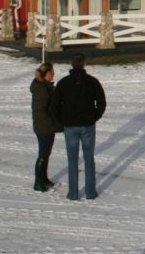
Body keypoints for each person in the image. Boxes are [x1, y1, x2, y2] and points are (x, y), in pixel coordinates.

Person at [50, 53, 106, 200]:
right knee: (89, 158)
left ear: (72, 64)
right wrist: (95, 116)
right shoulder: (92, 82)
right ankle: (90, 192)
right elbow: (101, 102)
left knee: (72, 159)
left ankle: (73, 193)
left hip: (70, 125)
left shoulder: (63, 83)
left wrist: (62, 119)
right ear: (84, 64)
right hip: (87, 124)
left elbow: (54, 105)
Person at [30, 62, 63, 192]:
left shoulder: (45, 87)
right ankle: (38, 182)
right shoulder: (42, 89)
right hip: (44, 127)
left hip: (47, 126)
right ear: (46, 74)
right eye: (52, 72)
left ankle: (44, 178)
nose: (54, 74)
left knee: (46, 153)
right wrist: (50, 124)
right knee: (43, 154)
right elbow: (40, 110)